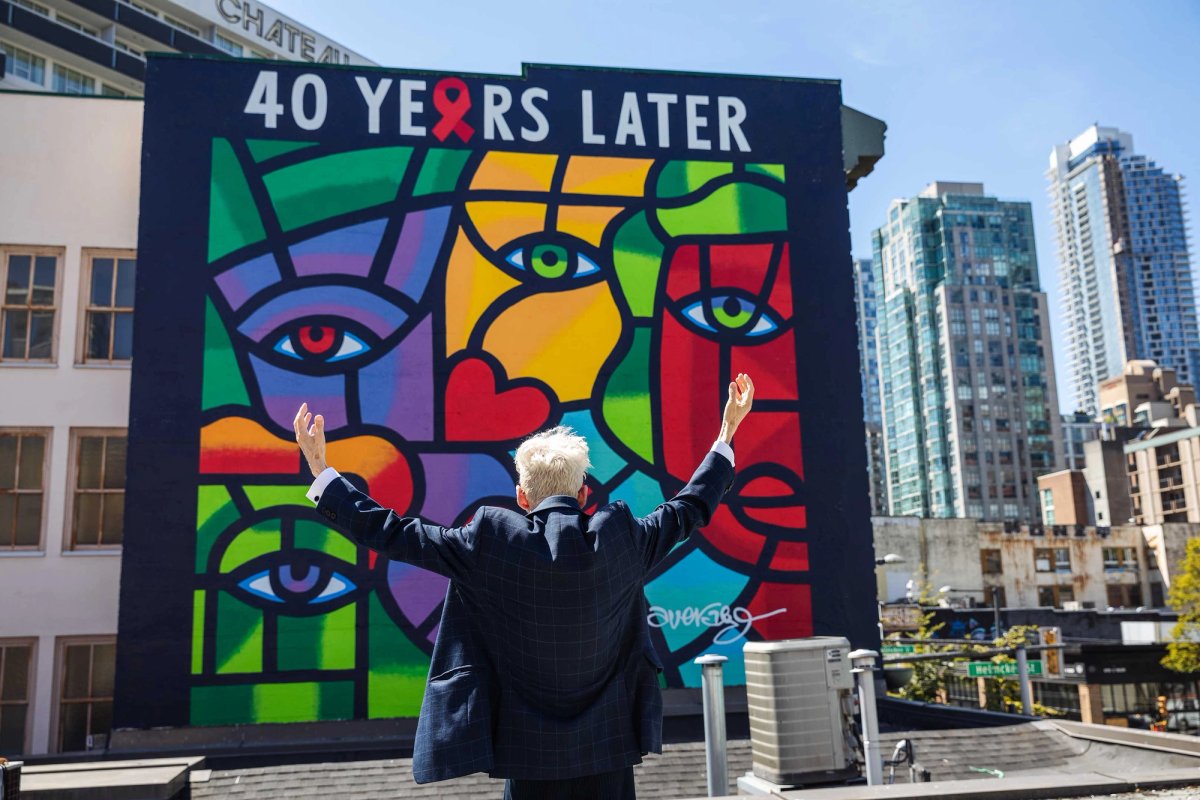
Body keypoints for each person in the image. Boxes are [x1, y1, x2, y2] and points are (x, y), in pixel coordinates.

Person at [293, 373, 754, 799]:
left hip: (527, 758)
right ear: (583, 494)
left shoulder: (490, 541)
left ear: (522, 496)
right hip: (609, 750)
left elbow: (395, 534)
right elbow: (690, 507)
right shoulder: (622, 538)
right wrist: (725, 436)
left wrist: (324, 477)